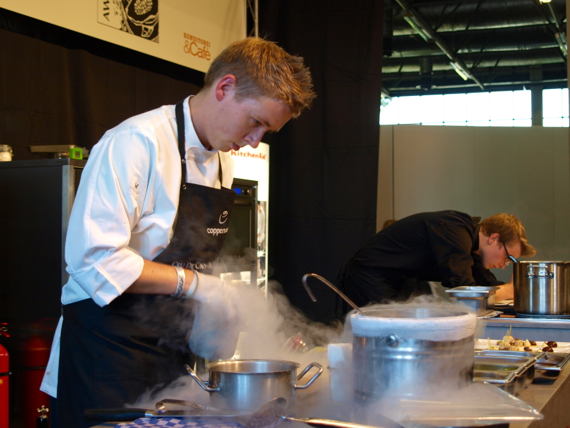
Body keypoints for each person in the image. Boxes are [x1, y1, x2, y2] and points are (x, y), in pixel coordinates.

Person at [40, 37, 315, 428]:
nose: (255, 140)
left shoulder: (222, 162)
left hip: (172, 358)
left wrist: (219, 319)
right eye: (255, 122)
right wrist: (198, 285)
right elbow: (94, 260)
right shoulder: (136, 142)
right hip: (106, 355)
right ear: (225, 88)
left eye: (266, 130)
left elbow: (193, 259)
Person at [335, 210, 536, 318]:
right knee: (384, 336)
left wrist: (512, 291)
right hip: (369, 276)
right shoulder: (454, 229)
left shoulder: (471, 248)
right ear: (494, 238)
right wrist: (509, 290)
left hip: (392, 281)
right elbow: (466, 293)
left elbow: (487, 286)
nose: (504, 265)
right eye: (508, 257)